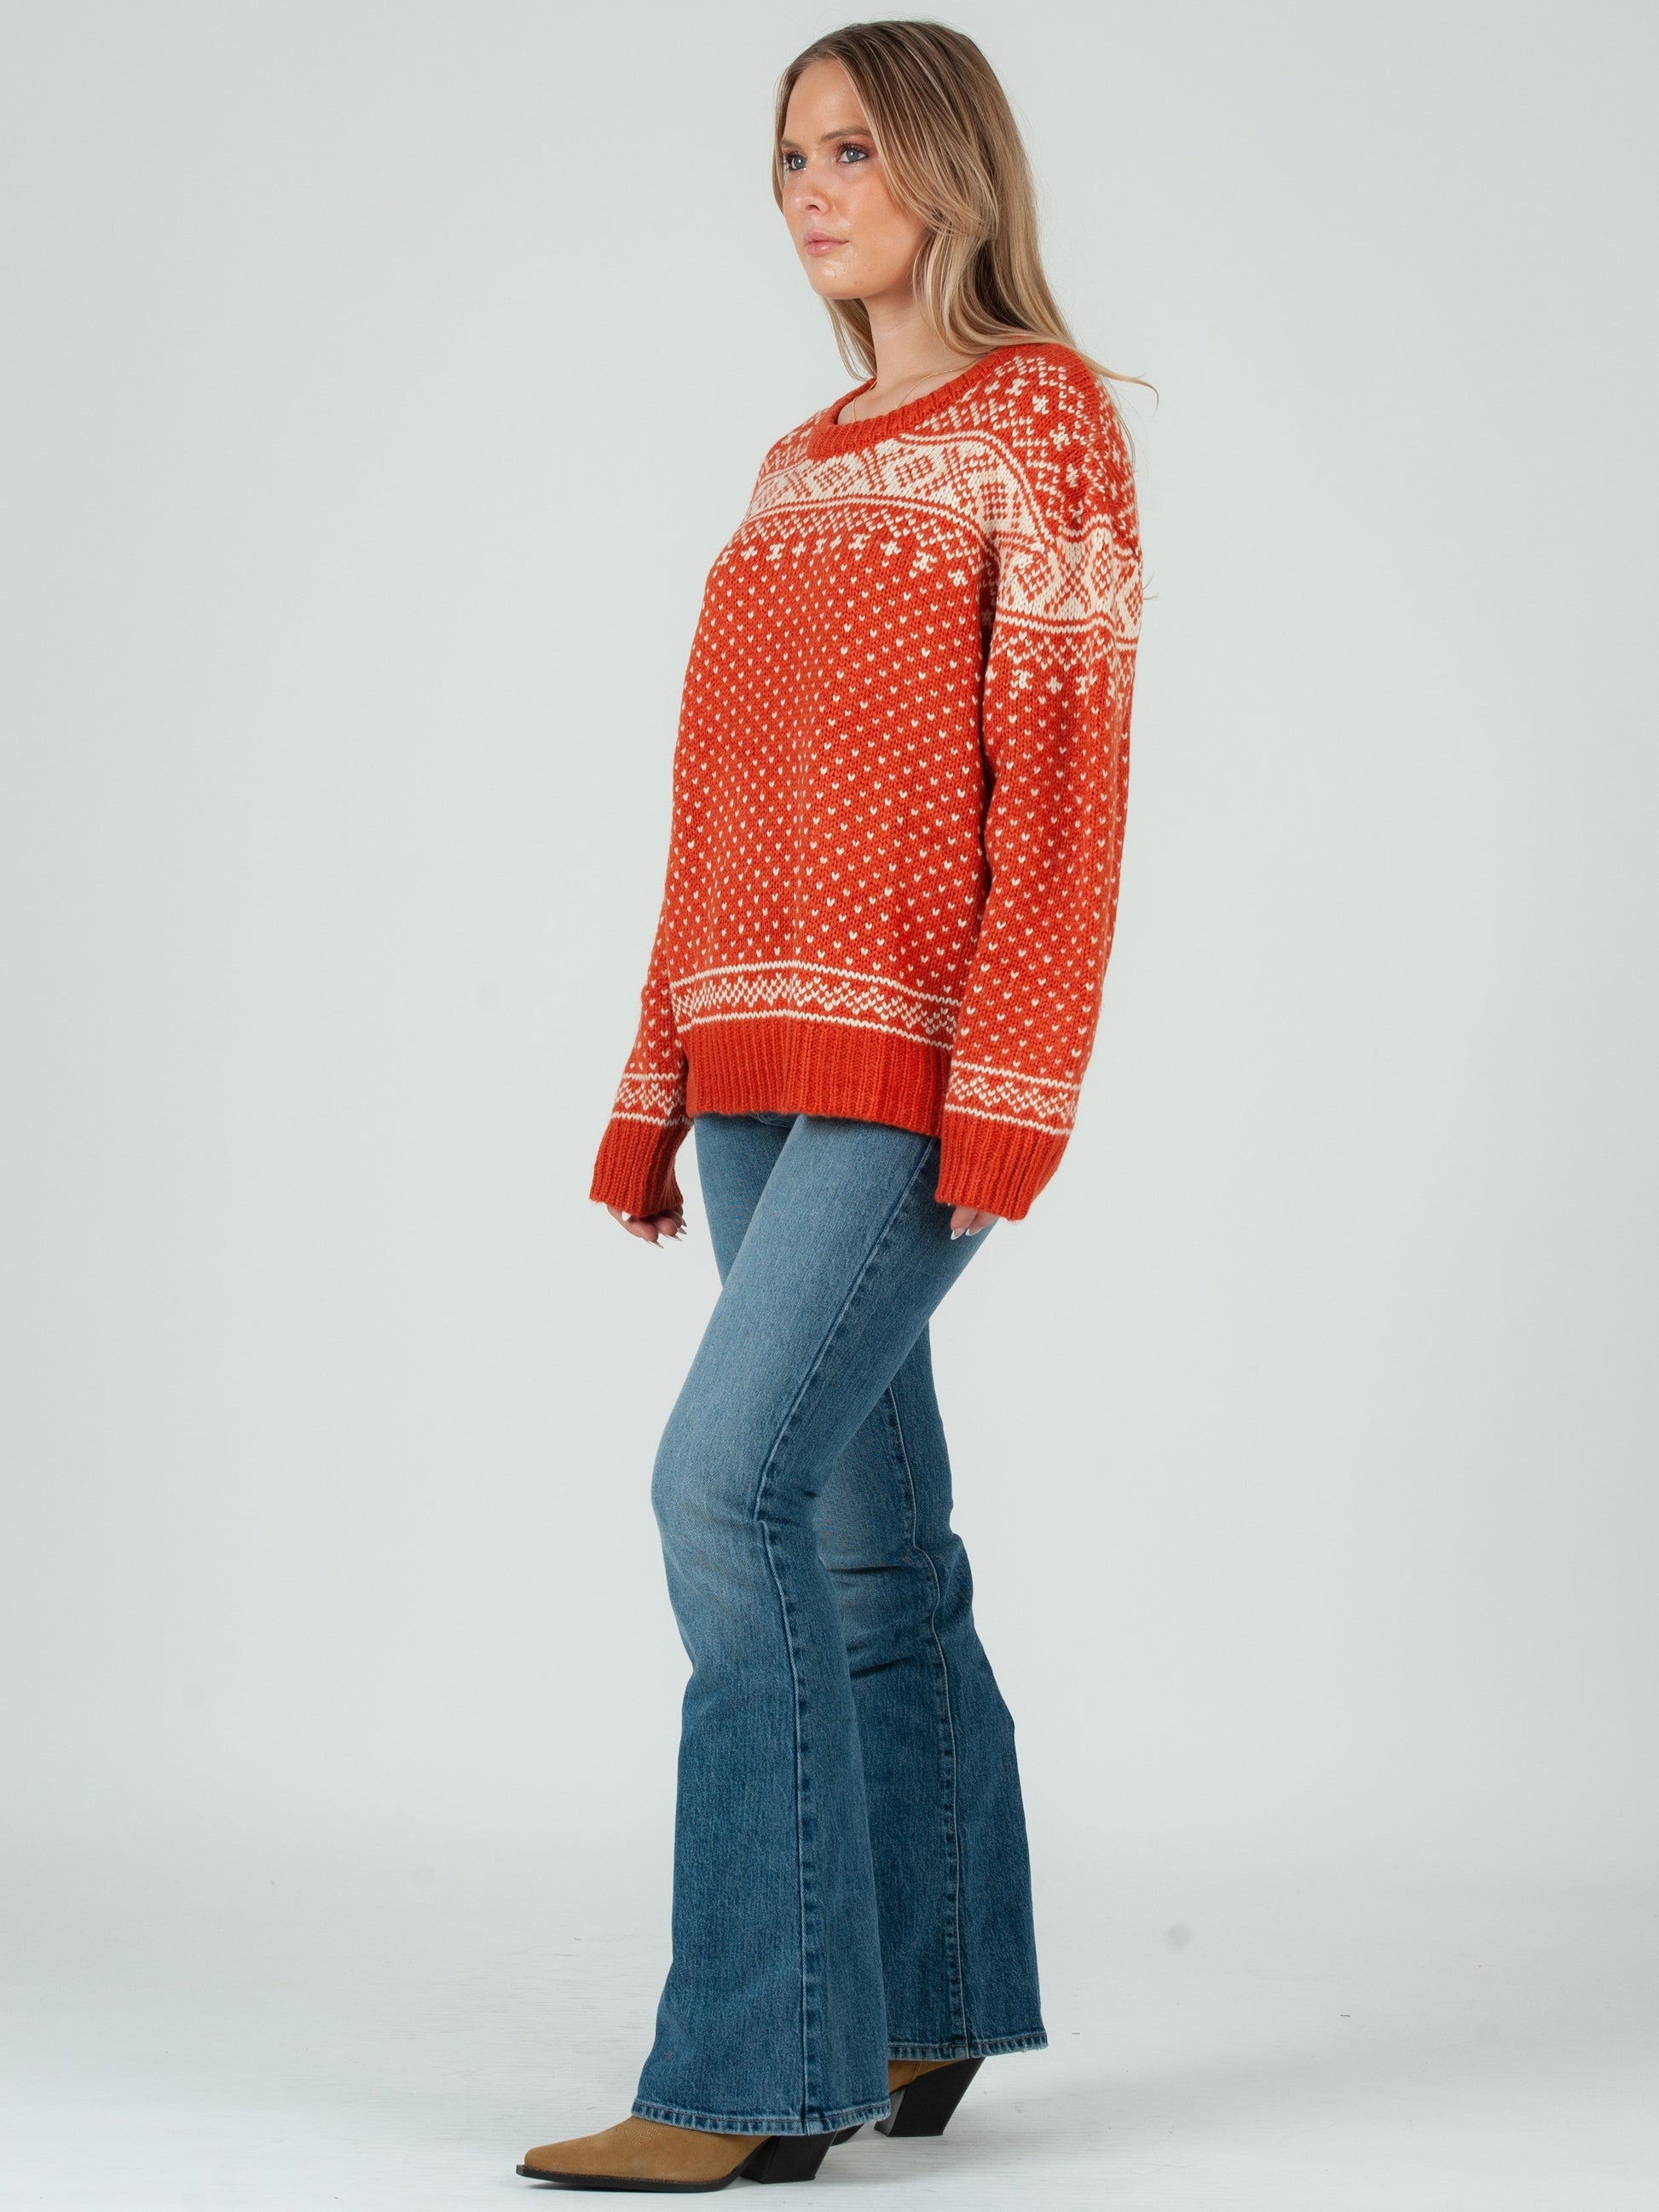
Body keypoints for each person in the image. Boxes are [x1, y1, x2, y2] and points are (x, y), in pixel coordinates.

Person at [518, 18, 1147, 2192]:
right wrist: (653, 1077)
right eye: (788, 155)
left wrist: (1014, 1084)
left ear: (951, 166)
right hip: (750, 1065)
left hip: (912, 1065)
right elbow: (715, 807)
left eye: (852, 146)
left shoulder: (1042, 420)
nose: (809, 188)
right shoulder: (792, 463)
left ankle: (751, 2069)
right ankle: (925, 1995)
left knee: (723, 1486)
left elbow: (1062, 778)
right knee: (868, 1539)